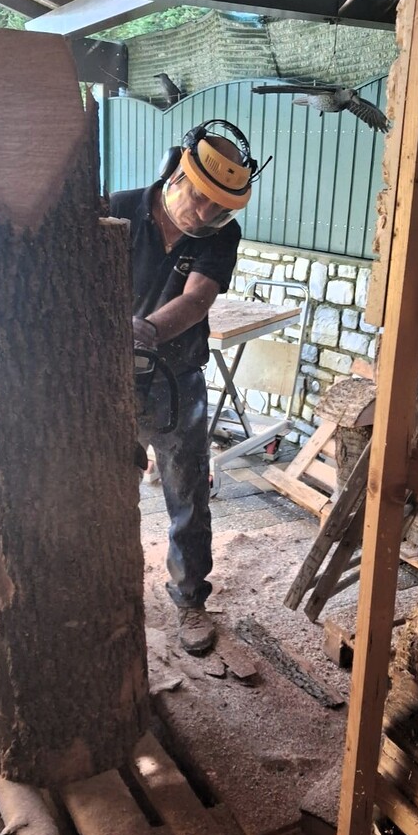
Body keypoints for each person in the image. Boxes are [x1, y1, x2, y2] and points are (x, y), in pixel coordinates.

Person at [110, 120, 268, 655]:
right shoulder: (118, 210)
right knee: (107, 488)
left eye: (217, 209)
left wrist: (145, 331)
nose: (203, 214)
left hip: (177, 380)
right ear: (175, 173)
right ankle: (109, 591)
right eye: (199, 199)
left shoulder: (221, 235)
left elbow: (198, 299)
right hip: (110, 381)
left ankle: (190, 598)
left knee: (187, 495)